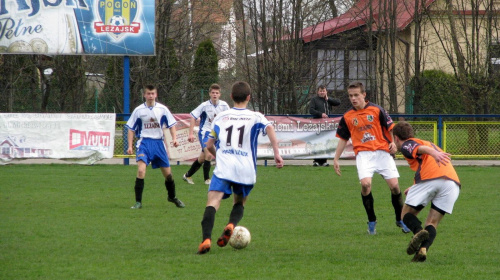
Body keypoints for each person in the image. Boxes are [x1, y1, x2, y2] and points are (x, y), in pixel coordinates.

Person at [197, 81, 284, 254]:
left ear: (231, 97)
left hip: (224, 166)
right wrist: (276, 153)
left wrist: (217, 155)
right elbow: (270, 128)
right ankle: (231, 224)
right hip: (246, 168)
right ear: (249, 97)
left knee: (213, 202)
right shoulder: (255, 116)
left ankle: (206, 239)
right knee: (239, 202)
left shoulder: (221, 117)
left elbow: (209, 144)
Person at [333, 81, 410, 234]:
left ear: (364, 95)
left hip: (382, 152)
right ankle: (372, 221)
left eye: (356, 95)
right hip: (363, 154)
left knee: (395, 187)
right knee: (366, 185)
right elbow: (343, 138)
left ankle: (400, 219)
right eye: (350, 96)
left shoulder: (376, 110)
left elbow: (391, 128)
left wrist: (394, 144)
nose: (353, 98)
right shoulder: (348, 116)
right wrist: (335, 159)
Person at [393, 121, 460, 262]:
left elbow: (419, 149)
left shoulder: (407, 144)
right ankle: (423, 250)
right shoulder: (427, 142)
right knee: (432, 222)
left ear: (396, 138)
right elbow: (424, 164)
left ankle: (418, 232)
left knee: (405, 214)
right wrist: (415, 186)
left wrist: (434, 153)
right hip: (452, 183)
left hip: (431, 179)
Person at [126, 85, 185, 209]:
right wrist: (130, 146)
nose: (150, 96)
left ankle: (172, 197)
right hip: (144, 143)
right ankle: (138, 202)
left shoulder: (163, 109)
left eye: (153, 93)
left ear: (156, 94)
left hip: (159, 143)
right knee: (141, 170)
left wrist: (174, 138)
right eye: (148, 93)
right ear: (144, 95)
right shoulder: (138, 110)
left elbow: (172, 125)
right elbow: (131, 129)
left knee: (168, 175)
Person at [183, 84, 230, 185]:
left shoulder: (224, 105)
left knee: (202, 158)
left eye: (217, 93)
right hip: (205, 132)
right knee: (208, 154)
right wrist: (190, 134)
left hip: (217, 133)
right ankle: (207, 179)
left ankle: (187, 175)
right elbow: (193, 117)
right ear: (209, 94)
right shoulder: (204, 105)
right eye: (213, 92)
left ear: (220, 94)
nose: (214, 94)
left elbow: (229, 119)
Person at [309, 85, 340, 166]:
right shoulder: (314, 100)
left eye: (323, 91)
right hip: (317, 124)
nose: (322, 92)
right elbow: (311, 110)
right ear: (318, 92)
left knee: (325, 142)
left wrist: (328, 99)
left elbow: (338, 102)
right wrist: (320, 114)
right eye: (320, 91)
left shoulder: (328, 100)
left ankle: (324, 161)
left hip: (327, 125)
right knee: (317, 142)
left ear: (326, 92)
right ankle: (316, 161)